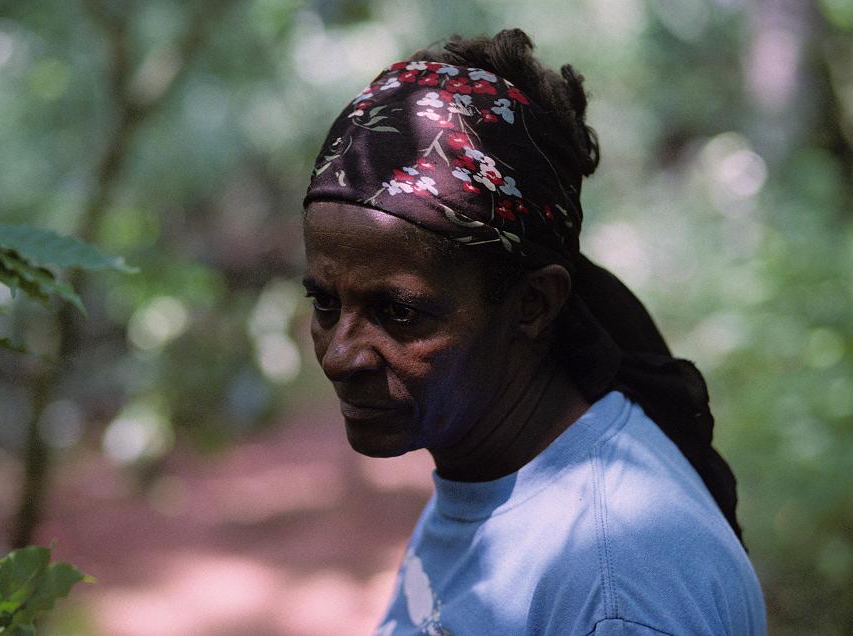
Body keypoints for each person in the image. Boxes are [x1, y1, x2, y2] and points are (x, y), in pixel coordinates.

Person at [301, 29, 766, 635]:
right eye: (325, 302)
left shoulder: (614, 583)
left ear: (533, 304)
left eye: (400, 313)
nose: (340, 356)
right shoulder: (492, 478)